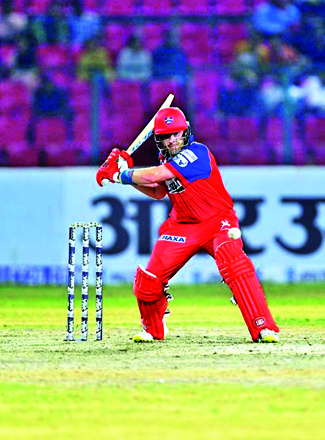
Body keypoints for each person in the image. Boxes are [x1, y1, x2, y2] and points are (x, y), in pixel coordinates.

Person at [95, 107, 280, 343]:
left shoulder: (197, 153)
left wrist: (120, 175)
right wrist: (125, 176)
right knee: (148, 279)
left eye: (176, 134)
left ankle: (263, 327)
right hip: (182, 226)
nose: (172, 140)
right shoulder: (165, 160)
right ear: (159, 139)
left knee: (234, 262)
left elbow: (153, 176)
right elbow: (158, 191)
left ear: (186, 131)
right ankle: (153, 329)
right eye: (166, 136)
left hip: (217, 221)